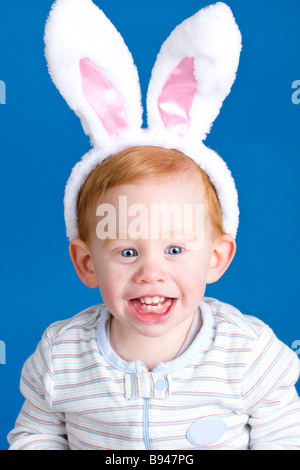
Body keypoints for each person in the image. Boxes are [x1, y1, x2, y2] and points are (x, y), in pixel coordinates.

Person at [8, 0, 300, 450]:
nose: (151, 272)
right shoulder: (62, 357)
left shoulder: (249, 356)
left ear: (216, 258)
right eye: (127, 251)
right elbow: (37, 434)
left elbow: (284, 439)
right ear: (86, 263)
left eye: (176, 250)